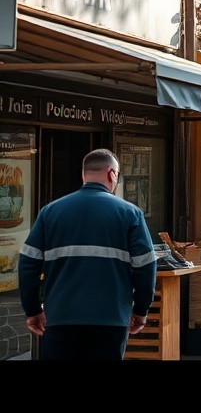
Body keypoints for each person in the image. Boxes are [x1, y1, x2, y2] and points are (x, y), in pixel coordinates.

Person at [18, 148, 157, 360]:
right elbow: (146, 267)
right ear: (112, 174)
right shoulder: (130, 214)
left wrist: (33, 309)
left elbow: (28, 265)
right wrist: (140, 310)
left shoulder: (50, 212)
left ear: (84, 174)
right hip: (110, 320)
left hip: (60, 319)